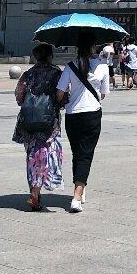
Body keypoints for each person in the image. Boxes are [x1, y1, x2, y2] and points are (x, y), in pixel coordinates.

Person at [56, 32, 110, 212]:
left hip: (73, 115)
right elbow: (103, 93)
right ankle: (77, 196)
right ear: (93, 47)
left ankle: (80, 186)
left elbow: (59, 93)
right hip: (92, 114)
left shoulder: (70, 66)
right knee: (86, 154)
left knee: (77, 153)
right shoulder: (102, 66)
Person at [13, 42, 63, 212]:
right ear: (50, 56)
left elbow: (19, 97)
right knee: (46, 153)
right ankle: (36, 192)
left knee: (32, 154)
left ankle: (34, 191)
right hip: (49, 121)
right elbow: (63, 96)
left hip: (28, 121)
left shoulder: (28, 74)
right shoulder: (57, 74)